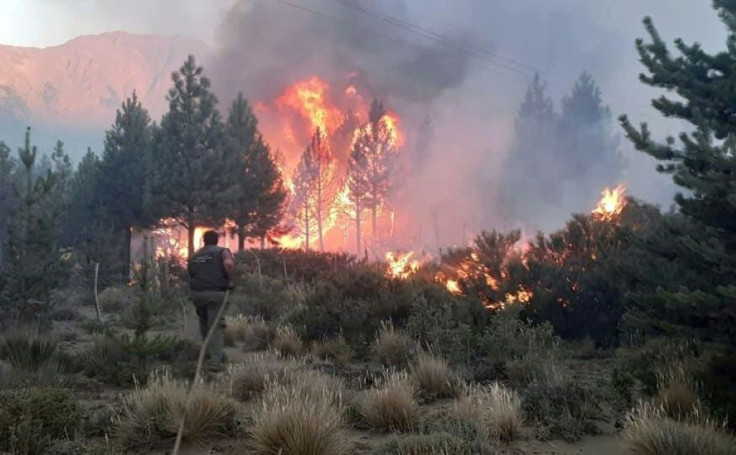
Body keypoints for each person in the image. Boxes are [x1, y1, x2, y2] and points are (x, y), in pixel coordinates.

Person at [187, 230, 234, 371]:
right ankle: (215, 362)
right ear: (217, 240)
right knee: (216, 327)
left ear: (204, 241)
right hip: (216, 293)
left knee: (205, 325)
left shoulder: (194, 256)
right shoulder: (222, 251)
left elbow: (190, 273)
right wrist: (231, 281)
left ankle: (211, 354)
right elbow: (229, 264)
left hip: (197, 294)